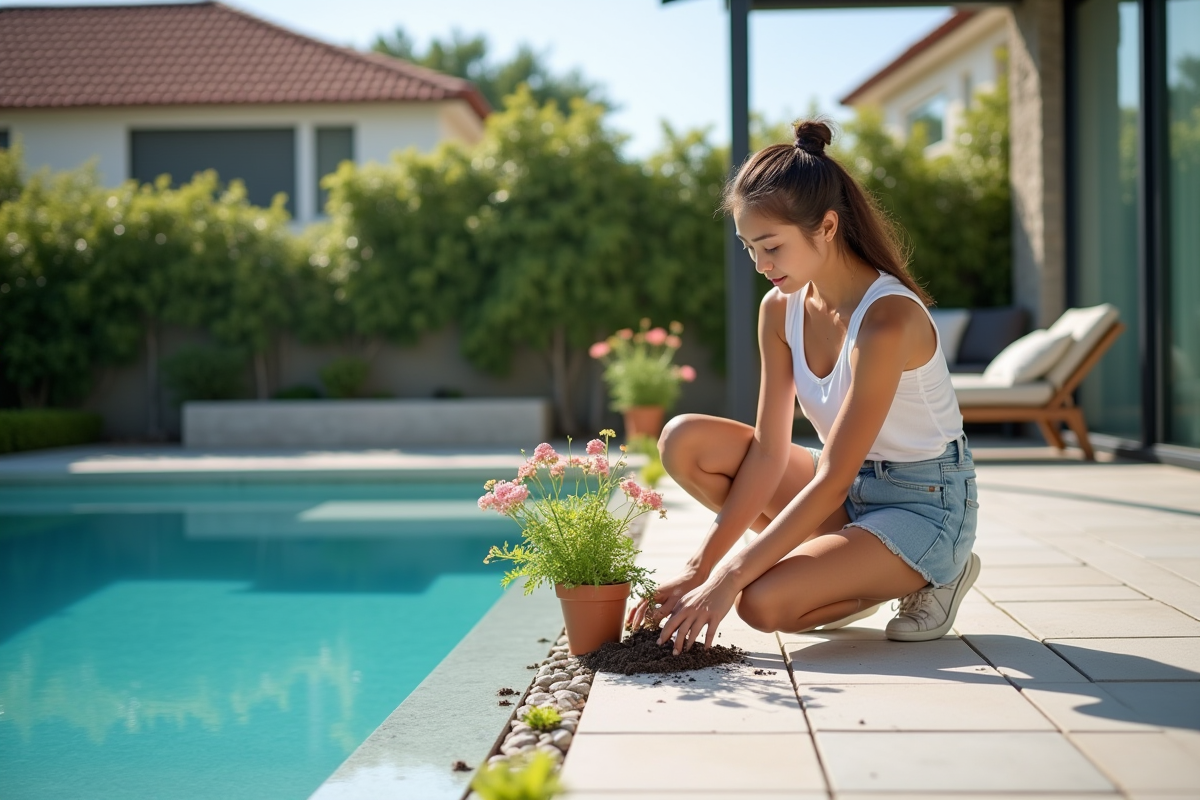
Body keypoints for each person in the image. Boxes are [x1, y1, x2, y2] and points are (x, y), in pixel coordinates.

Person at [626, 119, 981, 654]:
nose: (761, 266)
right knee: (685, 439)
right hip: (848, 489)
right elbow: (768, 451)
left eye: (771, 247)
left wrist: (727, 581)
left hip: (923, 504)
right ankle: (854, 569)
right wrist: (699, 569)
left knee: (760, 603)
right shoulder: (780, 309)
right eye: (750, 249)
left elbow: (832, 478)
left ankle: (934, 572)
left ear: (828, 227)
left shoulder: (887, 321)